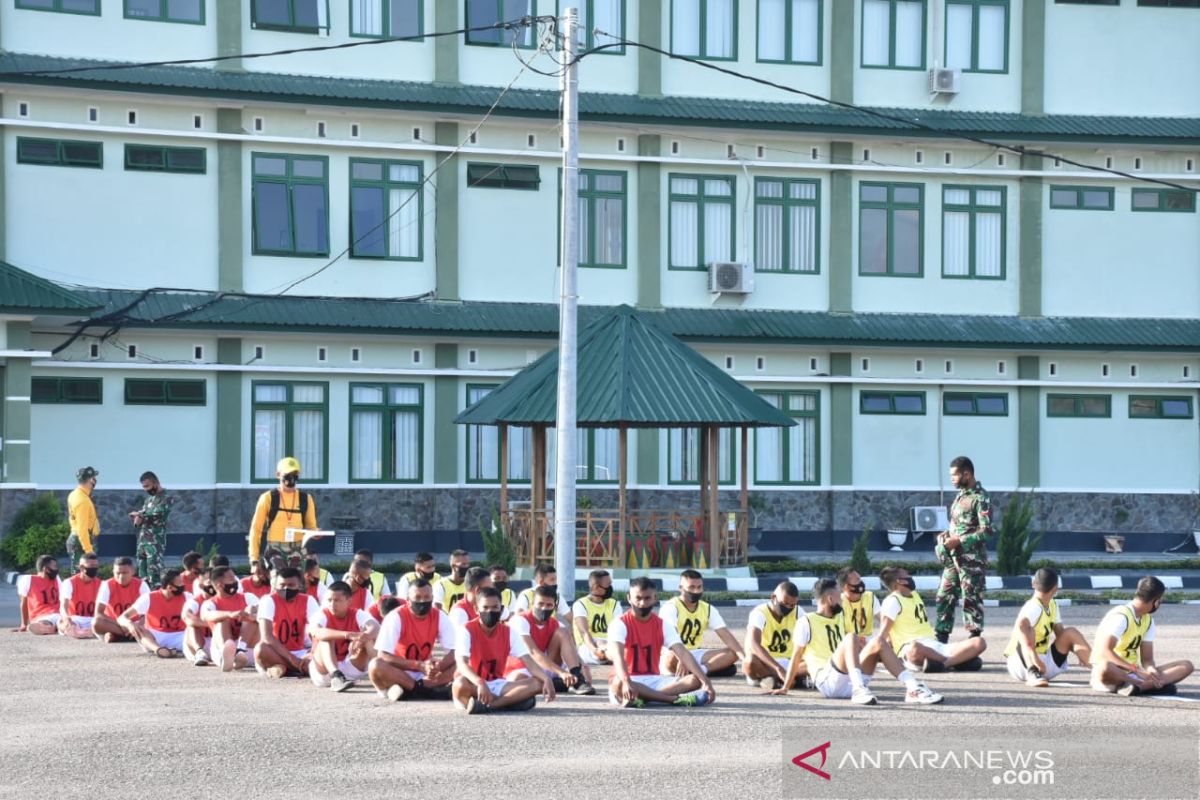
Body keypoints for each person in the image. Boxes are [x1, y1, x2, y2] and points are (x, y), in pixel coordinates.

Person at [773, 579, 943, 705]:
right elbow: (796, 657)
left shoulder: (840, 618)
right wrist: (786, 687)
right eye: (839, 596)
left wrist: (862, 647)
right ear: (830, 599)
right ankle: (858, 690)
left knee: (878, 641)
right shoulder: (806, 621)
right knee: (851, 637)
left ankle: (913, 688)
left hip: (849, 678)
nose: (842, 599)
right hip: (828, 682)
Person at [608, 577, 714, 709]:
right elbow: (618, 656)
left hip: (654, 679)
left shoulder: (662, 625)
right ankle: (673, 700)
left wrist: (706, 682)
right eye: (638, 598)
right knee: (618, 684)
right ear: (629, 598)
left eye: (647, 598)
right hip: (628, 679)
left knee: (695, 679)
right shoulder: (619, 623)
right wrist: (626, 681)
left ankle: (645, 699)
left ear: (655, 598)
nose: (642, 603)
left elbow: (682, 652)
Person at [453, 587, 554, 714]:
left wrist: (546, 679)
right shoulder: (466, 630)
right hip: (473, 683)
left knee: (538, 683)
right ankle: (511, 702)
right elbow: (462, 664)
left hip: (498, 684)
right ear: (477, 609)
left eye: (495, 607)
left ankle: (493, 705)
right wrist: (480, 682)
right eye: (485, 608)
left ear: (501, 610)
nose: (490, 611)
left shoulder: (509, 632)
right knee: (459, 685)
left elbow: (529, 661)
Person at [1090, 576, 1194, 696]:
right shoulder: (1121, 616)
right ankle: (1145, 685)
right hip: (1112, 674)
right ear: (1156, 601)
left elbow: (1147, 659)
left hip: (1135, 673)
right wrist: (1135, 670)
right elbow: (1105, 652)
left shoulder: (1148, 621)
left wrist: (1151, 670)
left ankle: (1137, 686)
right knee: (1105, 665)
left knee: (1186, 666)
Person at [878, 566, 986, 673]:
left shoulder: (915, 595)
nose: (910, 578)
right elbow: (884, 634)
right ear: (900, 581)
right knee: (915, 648)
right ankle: (959, 661)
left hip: (936, 646)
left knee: (979, 642)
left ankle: (943, 665)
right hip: (911, 648)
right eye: (907, 576)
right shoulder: (892, 601)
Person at [369, 579, 457, 701]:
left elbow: (455, 651)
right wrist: (418, 665)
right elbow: (383, 655)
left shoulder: (439, 615)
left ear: (432, 598)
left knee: (465, 658)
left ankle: (416, 689)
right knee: (375, 665)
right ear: (408, 600)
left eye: (427, 597)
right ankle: (423, 690)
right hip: (398, 671)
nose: (422, 601)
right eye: (418, 597)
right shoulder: (395, 616)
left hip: (427, 673)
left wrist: (438, 667)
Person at [934, 456, 992, 642]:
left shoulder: (981, 498)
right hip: (953, 559)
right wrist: (946, 535)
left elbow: (987, 531)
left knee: (971, 600)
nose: (952, 479)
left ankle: (973, 640)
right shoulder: (961, 496)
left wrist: (959, 540)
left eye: (955, 475)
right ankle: (941, 637)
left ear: (967, 474)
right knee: (944, 596)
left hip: (971, 561)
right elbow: (960, 524)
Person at [1005, 568, 1091, 687]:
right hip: (1021, 664)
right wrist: (1035, 659)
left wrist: (1079, 652)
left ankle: (1100, 669)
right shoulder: (1033, 606)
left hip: (1044, 665)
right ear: (1055, 589)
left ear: (1033, 584)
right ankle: (1032, 673)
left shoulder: (1053, 604)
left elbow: (1062, 635)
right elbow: (1021, 626)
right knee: (1027, 629)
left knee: (1071, 633)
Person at [506, 585, 594, 695]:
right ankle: (559, 683)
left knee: (563, 632)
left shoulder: (556, 623)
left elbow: (571, 648)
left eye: (549, 605)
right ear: (533, 603)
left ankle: (576, 679)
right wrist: (561, 672)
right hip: (524, 667)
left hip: (548, 666)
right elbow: (532, 652)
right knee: (517, 680)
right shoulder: (519, 620)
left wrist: (583, 666)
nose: (544, 608)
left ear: (554, 607)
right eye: (540, 604)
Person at [660, 569, 743, 677]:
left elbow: (726, 636)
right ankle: (710, 669)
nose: (696, 591)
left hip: (696, 653)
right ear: (680, 588)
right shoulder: (670, 607)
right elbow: (672, 640)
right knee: (670, 659)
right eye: (691, 587)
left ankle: (702, 670)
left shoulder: (708, 608)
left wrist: (745, 658)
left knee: (733, 652)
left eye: (699, 587)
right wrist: (682, 658)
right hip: (675, 653)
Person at [308, 580, 380, 692]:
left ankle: (383, 675)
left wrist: (362, 637)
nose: (332, 604)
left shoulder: (358, 613)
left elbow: (375, 627)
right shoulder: (321, 614)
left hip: (349, 667)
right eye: (329, 600)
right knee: (326, 638)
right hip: (324, 671)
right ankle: (336, 677)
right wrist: (347, 635)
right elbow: (316, 632)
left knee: (368, 639)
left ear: (349, 601)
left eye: (337, 600)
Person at [248, 456, 317, 571]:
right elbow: (256, 529)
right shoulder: (268, 498)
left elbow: (311, 528)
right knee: (279, 581)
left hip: (298, 549)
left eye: (295, 474)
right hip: (275, 549)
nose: (291, 478)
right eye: (288, 474)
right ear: (278, 475)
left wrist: (315, 533)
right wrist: (254, 559)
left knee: (297, 584)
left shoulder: (306, 499)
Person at [254, 567, 321, 678]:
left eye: (291, 585)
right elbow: (267, 637)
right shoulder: (268, 600)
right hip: (275, 651)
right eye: (282, 585)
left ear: (299, 585)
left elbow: (318, 631)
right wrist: (292, 659)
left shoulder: (308, 600)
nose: (286, 588)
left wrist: (312, 653)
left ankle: (285, 669)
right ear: (276, 586)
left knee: (324, 649)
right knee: (260, 649)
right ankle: (302, 669)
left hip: (301, 652)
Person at [744, 581, 804, 689]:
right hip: (766, 662)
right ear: (773, 597)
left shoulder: (798, 612)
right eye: (784, 603)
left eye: (792, 605)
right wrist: (778, 669)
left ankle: (773, 680)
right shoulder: (759, 613)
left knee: (818, 661)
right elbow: (753, 644)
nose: (789, 608)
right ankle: (792, 680)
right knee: (750, 661)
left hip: (789, 662)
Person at [201, 565, 259, 671]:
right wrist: (230, 614)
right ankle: (228, 655)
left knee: (251, 618)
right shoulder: (209, 603)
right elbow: (206, 615)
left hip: (248, 649)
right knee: (221, 622)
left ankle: (240, 650)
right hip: (221, 649)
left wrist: (252, 615)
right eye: (231, 578)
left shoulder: (248, 597)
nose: (236, 580)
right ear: (220, 585)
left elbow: (264, 614)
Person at [120, 569, 189, 658]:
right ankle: (159, 650)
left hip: (179, 636)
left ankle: (171, 650)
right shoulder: (149, 598)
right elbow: (122, 617)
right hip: (154, 636)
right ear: (170, 587)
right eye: (180, 583)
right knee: (140, 628)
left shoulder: (187, 597)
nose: (183, 585)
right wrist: (130, 624)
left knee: (193, 633)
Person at [130, 471, 173, 587]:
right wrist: (137, 520)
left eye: (148, 486)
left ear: (156, 482)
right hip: (143, 541)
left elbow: (158, 514)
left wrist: (140, 515)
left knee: (154, 573)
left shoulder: (166, 498)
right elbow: (143, 514)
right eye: (144, 487)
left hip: (155, 541)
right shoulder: (149, 499)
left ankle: (156, 597)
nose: (146, 489)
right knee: (142, 576)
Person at [572, 569, 622, 665]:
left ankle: (612, 655)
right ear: (596, 587)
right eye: (608, 585)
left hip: (610, 644)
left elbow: (618, 630)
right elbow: (584, 632)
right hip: (587, 646)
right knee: (601, 644)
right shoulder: (580, 604)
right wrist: (594, 649)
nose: (611, 587)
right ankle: (616, 656)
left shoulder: (614, 604)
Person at [93, 556, 148, 642]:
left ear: (133, 571)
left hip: (136, 623)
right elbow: (98, 613)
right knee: (96, 623)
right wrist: (124, 625)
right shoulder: (107, 584)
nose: (121, 576)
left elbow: (149, 612)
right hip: (115, 623)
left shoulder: (141, 584)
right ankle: (133, 635)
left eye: (125, 572)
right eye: (117, 573)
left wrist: (138, 624)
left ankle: (117, 635)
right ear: (113, 572)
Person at [13, 555, 62, 635]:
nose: (57, 569)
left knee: (65, 622)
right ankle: (54, 628)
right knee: (41, 624)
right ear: (45, 569)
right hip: (41, 616)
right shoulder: (27, 580)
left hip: (59, 614)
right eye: (54, 567)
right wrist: (23, 624)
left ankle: (58, 628)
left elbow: (63, 599)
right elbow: (23, 603)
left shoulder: (57, 578)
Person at [58, 552, 102, 639]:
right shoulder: (69, 582)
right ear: (81, 567)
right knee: (63, 624)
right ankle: (87, 632)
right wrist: (66, 618)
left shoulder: (101, 584)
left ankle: (83, 633)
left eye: (96, 565)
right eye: (91, 565)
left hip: (93, 619)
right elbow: (63, 605)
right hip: (75, 619)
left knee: (104, 623)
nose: (94, 568)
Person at [66, 466, 100, 568]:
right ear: (91, 479)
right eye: (94, 477)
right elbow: (82, 529)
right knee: (82, 576)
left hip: (78, 539)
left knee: (82, 576)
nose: (95, 480)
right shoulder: (82, 500)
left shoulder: (75, 494)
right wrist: (89, 551)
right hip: (81, 542)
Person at [182, 569, 216, 665]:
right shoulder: (194, 601)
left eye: (215, 580)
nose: (214, 584)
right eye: (210, 581)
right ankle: (199, 653)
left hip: (218, 640)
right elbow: (186, 616)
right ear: (201, 585)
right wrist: (213, 623)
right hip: (200, 641)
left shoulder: (225, 599)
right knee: (191, 624)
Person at [837, 567, 879, 636]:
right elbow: (837, 630)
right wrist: (856, 640)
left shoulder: (870, 596)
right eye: (857, 580)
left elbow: (883, 619)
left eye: (860, 579)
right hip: (847, 640)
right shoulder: (838, 602)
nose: (861, 582)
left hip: (867, 639)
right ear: (847, 586)